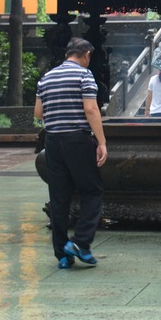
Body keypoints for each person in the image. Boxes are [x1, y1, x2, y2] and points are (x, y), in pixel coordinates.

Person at [35, 37, 107, 269]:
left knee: (59, 198)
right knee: (92, 191)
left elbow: (38, 113)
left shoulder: (46, 78)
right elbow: (91, 108)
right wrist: (102, 142)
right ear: (86, 54)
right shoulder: (84, 75)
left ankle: (62, 255)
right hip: (77, 139)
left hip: (53, 141)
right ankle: (80, 242)